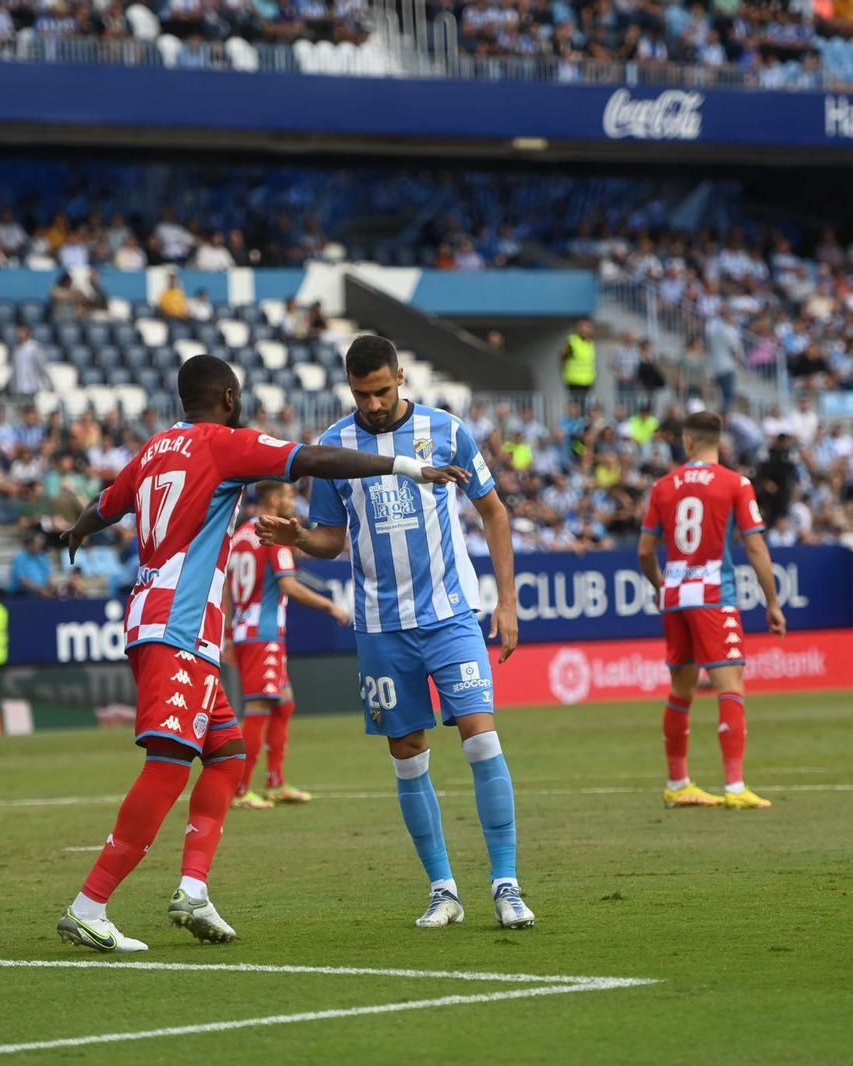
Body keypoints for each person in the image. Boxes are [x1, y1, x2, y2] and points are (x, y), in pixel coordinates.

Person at [53, 354, 467, 953]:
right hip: (179, 624)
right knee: (169, 763)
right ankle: (89, 905)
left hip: (159, 619)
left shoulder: (153, 449)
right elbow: (317, 459)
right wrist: (406, 465)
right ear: (227, 397)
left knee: (226, 756)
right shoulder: (224, 444)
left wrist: (77, 532)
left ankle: (193, 890)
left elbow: (104, 504)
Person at [259, 336, 533, 931]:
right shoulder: (333, 449)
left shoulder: (447, 430)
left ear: (401, 376)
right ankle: (443, 890)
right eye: (362, 394)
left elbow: (494, 511)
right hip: (381, 627)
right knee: (408, 757)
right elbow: (331, 539)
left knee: (481, 739)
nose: (374, 404)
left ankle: (506, 883)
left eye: (382, 391)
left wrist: (507, 601)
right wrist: (298, 537)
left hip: (451, 615)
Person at [636, 411, 785, 812]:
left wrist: (661, 586)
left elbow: (645, 551)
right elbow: (755, 545)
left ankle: (677, 783)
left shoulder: (663, 486)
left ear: (687, 442)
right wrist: (772, 602)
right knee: (730, 686)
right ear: (720, 442)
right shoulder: (735, 483)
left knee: (681, 691)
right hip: (713, 595)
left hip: (675, 597)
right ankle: (735, 786)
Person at [226, 481, 351, 811]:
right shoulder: (275, 533)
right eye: (288, 496)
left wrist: (227, 632)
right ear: (273, 499)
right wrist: (329, 605)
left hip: (247, 630)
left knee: (283, 705)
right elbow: (289, 586)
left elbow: (225, 585)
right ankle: (239, 789)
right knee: (258, 709)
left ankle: (275, 782)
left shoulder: (240, 534)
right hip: (263, 634)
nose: (293, 502)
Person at [561, 318, 598, 405]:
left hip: (588, 380)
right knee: (575, 405)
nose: (586, 330)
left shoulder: (590, 343)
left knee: (585, 405)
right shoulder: (572, 342)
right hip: (574, 380)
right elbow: (563, 358)